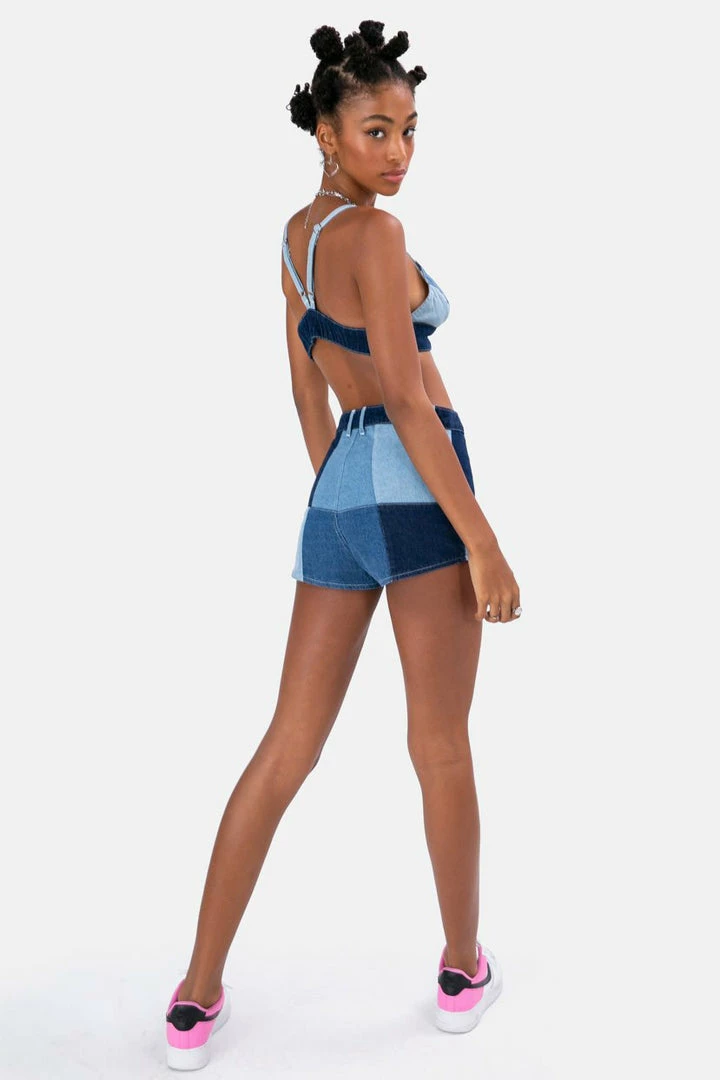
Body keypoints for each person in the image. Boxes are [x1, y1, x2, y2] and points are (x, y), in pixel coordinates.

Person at [164, 20, 521, 1070]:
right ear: (327, 132)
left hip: (337, 495)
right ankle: (462, 970)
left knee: (287, 745)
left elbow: (306, 391)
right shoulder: (376, 235)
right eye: (376, 131)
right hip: (418, 486)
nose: (399, 151)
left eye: (410, 129)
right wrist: (482, 539)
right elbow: (408, 400)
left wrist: (344, 500)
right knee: (440, 745)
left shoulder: (295, 238)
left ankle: (194, 997)